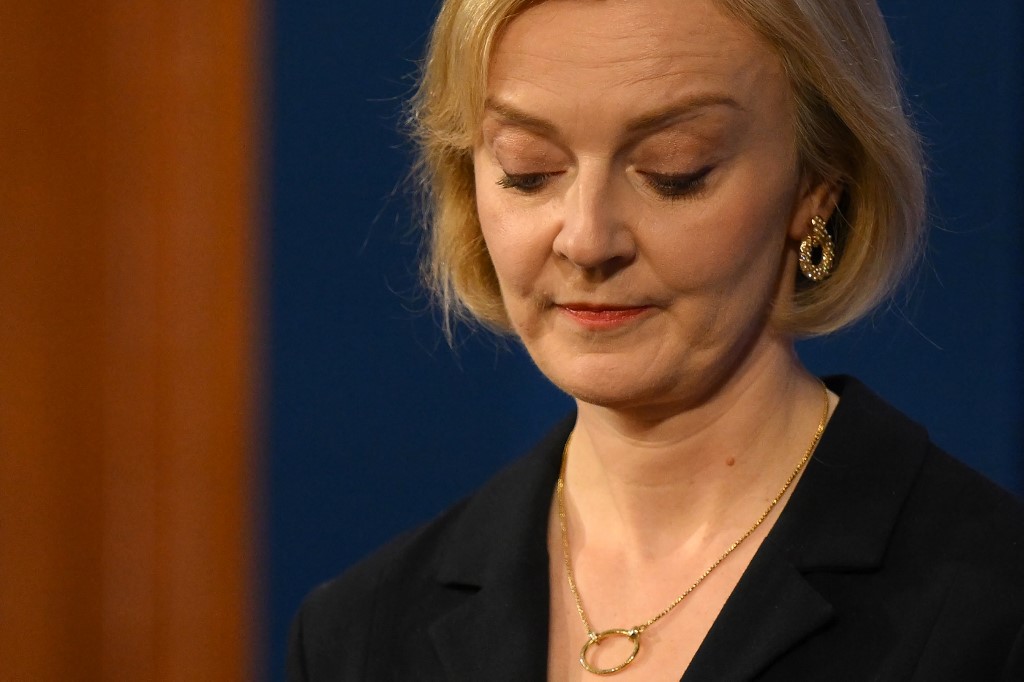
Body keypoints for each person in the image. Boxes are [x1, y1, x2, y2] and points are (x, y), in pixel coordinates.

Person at [288, 0, 1024, 679]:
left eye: (674, 172)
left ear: (816, 187)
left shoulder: (993, 609)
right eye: (529, 172)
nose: (586, 240)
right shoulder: (360, 635)